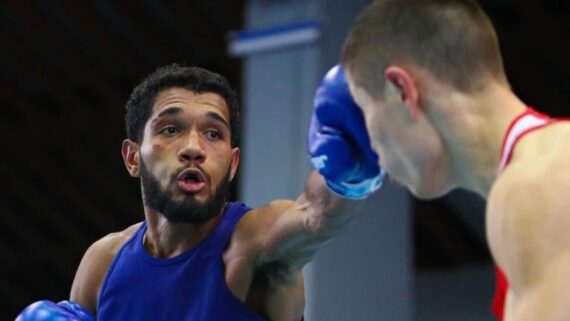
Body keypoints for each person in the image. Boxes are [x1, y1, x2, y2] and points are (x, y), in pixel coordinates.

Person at [15, 64, 384, 321]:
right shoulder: (104, 262)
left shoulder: (250, 247)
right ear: (132, 157)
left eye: (213, 133)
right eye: (170, 129)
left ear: (233, 163)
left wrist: (352, 164)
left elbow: (315, 216)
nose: (194, 147)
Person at [340, 0, 570, 320]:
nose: (373, 147)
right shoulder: (541, 174)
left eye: (366, 111)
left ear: (402, 90)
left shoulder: (534, 186)